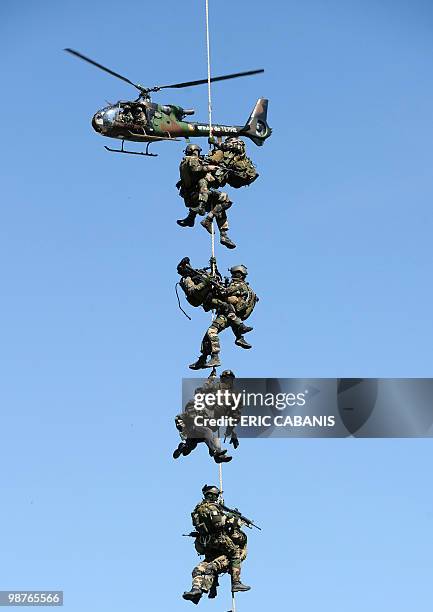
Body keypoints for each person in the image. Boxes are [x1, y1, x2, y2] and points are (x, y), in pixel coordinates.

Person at [177, 258, 254, 370]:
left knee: (211, 331)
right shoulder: (244, 285)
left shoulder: (237, 285)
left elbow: (222, 290)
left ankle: (215, 357)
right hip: (228, 311)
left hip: (225, 311)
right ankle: (203, 358)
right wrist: (211, 274)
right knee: (208, 336)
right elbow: (196, 290)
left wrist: (211, 280)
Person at [182, 485, 251, 604]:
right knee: (234, 553)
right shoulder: (213, 508)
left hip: (207, 543)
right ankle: (236, 582)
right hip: (219, 541)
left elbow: (197, 524)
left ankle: (196, 590)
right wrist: (233, 520)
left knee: (199, 569)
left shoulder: (198, 508)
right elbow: (219, 524)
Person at [176, 144, 236, 250]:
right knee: (226, 199)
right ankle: (208, 219)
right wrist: (210, 167)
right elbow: (197, 169)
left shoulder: (183, 163)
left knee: (218, 207)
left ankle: (223, 236)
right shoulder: (191, 159)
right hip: (199, 196)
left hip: (191, 198)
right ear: (195, 151)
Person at [173, 370, 240, 461]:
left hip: (208, 426)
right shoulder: (215, 388)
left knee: (193, 444)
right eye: (225, 379)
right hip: (198, 423)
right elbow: (200, 390)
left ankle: (184, 447)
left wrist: (233, 434)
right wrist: (211, 379)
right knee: (207, 434)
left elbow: (233, 417)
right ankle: (217, 455)